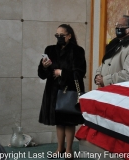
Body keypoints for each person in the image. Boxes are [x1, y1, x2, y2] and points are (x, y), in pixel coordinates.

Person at [38, 24, 86, 159]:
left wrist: (62, 72)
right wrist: (44, 66)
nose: (59, 37)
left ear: (69, 36)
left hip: (69, 90)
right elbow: (42, 74)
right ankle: (60, 148)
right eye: (57, 35)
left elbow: (80, 71)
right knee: (58, 121)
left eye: (62, 35)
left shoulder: (77, 50)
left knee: (69, 121)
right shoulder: (50, 50)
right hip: (53, 91)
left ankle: (69, 150)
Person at [94, 15, 129, 87]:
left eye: (120, 26)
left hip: (120, 91)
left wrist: (105, 80)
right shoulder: (115, 44)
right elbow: (105, 62)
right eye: (117, 25)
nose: (117, 28)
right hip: (106, 89)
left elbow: (128, 74)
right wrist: (98, 75)